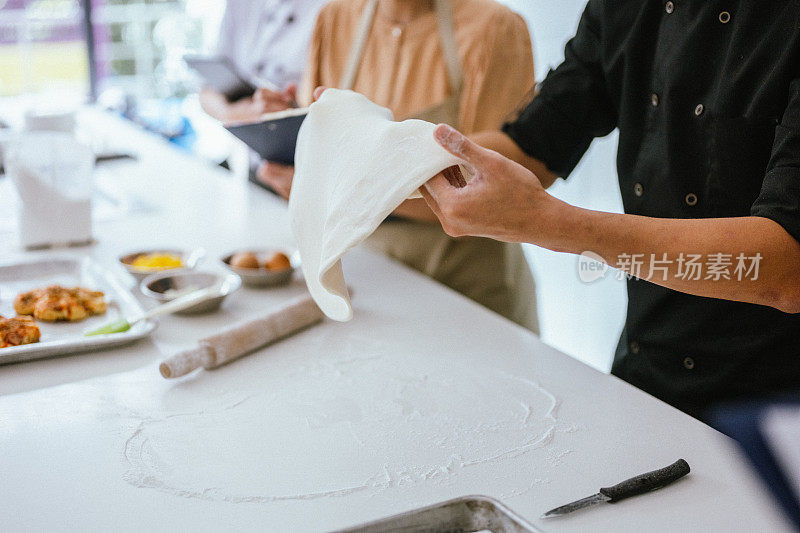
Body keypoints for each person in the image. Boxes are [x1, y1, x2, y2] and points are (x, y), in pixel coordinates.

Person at [416, 0, 800, 417]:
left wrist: (545, 222)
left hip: (776, 406)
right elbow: (533, 144)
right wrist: (391, 157)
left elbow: (786, 266)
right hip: (645, 368)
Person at [259, 0, 539, 332]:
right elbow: (320, 144)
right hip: (366, 279)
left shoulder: (494, 29)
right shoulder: (334, 18)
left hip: (465, 284)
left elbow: (493, 187)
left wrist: (341, 187)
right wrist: (290, 141)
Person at [199, 0, 327, 123]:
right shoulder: (238, 4)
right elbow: (207, 91)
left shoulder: (332, 7)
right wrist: (237, 113)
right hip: (250, 138)